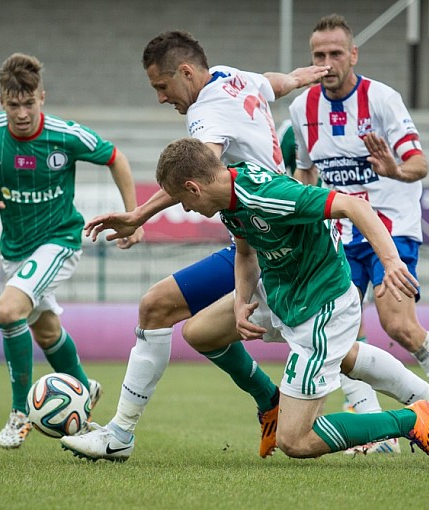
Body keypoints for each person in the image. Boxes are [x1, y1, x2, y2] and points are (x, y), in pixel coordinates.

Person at [115, 138, 429, 468]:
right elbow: (245, 251)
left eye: (182, 201)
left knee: (296, 441)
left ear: (193, 188)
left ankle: (413, 420)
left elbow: (356, 207)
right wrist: (242, 301)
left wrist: (390, 261)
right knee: (199, 332)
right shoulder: (226, 197)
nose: (188, 210)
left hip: (321, 305)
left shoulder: (269, 194)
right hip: (280, 294)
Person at [60, 31, 330, 462]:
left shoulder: (207, 108)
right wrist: (302, 77)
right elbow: (273, 82)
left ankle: (120, 434)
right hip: (264, 241)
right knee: (198, 329)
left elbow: (196, 173)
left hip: (269, 244)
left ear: (186, 72)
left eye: (161, 87)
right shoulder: (234, 78)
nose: (161, 98)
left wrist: (137, 215)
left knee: (157, 307)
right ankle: (271, 400)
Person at [288, 14, 429, 450]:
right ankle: (373, 427)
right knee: (333, 332)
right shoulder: (300, 108)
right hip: (337, 236)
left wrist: (394, 170)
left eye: (335, 53)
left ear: (353, 54)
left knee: (400, 325)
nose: (327, 62)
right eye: (318, 55)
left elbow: (420, 164)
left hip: (390, 230)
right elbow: (306, 174)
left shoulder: (382, 99)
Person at [0, 52, 143, 449]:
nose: (21, 113)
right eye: (12, 105)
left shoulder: (64, 135)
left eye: (29, 103)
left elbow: (115, 157)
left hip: (60, 240)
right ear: (2, 102)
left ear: (43, 97)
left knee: (7, 310)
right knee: (46, 330)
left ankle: (20, 413)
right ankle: (83, 393)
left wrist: (133, 215)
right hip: (16, 250)